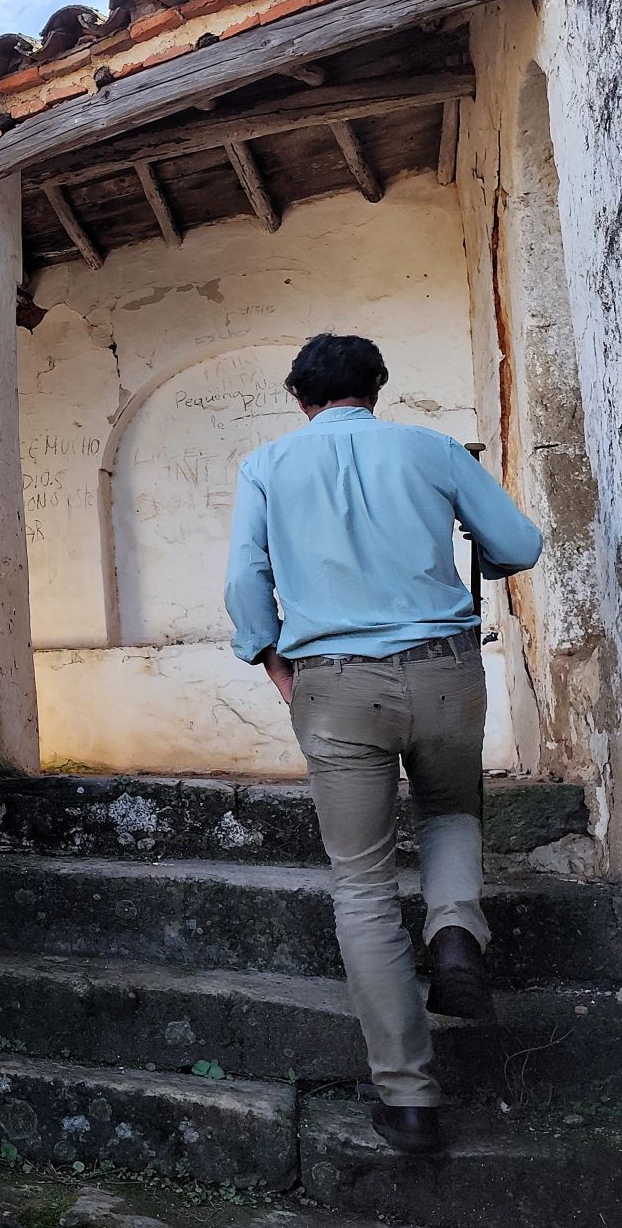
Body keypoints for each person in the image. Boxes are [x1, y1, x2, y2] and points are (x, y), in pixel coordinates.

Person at [223, 333, 543, 1156]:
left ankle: (408, 1100)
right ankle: (456, 931)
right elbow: (519, 544)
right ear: (376, 388)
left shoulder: (266, 466)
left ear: (301, 397)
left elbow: (244, 585)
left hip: (333, 682)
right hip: (444, 668)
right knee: (449, 807)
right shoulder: (430, 448)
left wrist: (271, 658)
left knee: (362, 885)